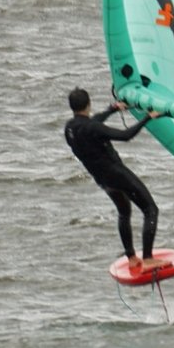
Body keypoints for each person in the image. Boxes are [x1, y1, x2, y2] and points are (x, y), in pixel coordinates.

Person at [63, 87, 160, 269]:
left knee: (124, 212)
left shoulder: (70, 128)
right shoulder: (92, 127)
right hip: (117, 174)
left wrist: (113, 109)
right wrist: (148, 117)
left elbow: (92, 123)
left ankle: (131, 257)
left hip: (103, 180)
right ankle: (147, 259)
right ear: (88, 104)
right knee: (150, 209)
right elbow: (125, 136)